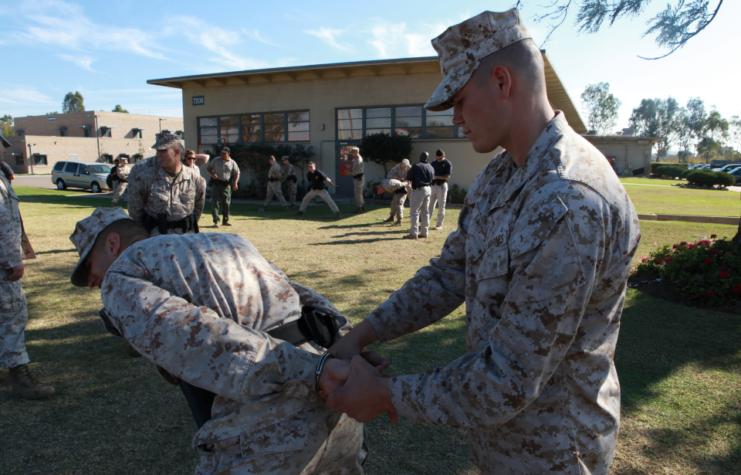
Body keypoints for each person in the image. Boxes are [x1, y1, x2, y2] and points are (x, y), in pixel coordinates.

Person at [324, 9, 640, 475]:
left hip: (555, 452)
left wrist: (384, 395)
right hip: (504, 444)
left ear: (501, 81)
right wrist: (359, 337)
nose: (454, 118)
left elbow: (507, 378)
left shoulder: (569, 200)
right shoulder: (503, 172)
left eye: (459, 99)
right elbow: (450, 274)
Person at [69, 207, 371, 474]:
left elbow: (201, 340)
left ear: (112, 244)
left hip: (272, 431)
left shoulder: (121, 275)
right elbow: (302, 296)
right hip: (338, 411)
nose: (92, 281)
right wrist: (344, 350)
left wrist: (313, 372)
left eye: (88, 267)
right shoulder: (225, 241)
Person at [0, 130, 54, 399]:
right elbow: (2, 224)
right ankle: (20, 377)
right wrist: (13, 260)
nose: (3, 150)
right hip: (2, 267)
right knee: (12, 316)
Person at [127, 132, 206, 237]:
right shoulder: (145, 178)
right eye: (157, 150)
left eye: (163, 150)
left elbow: (197, 210)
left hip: (186, 239)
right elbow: (135, 211)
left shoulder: (196, 179)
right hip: (156, 240)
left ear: (177, 152)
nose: (158, 154)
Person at [403, 152, 434, 240]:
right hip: (428, 189)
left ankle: (413, 233)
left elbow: (408, 177)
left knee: (414, 212)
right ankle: (424, 232)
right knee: (425, 212)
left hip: (419, 189)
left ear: (420, 157)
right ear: (428, 158)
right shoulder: (431, 167)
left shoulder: (416, 166)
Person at [206, 146, 240, 228]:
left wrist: (235, 183)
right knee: (215, 203)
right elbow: (208, 168)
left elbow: (237, 173)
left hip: (226, 186)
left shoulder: (232, 162)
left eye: (224, 153)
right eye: (221, 153)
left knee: (226, 203)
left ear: (228, 153)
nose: (222, 154)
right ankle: (216, 221)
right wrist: (212, 174)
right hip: (216, 185)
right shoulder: (216, 160)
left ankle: (226, 220)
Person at [383, 159, 412, 226]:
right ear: (400, 164)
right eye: (403, 166)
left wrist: (409, 179)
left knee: (413, 201)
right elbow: (389, 175)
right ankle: (392, 216)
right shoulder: (396, 167)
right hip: (400, 186)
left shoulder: (410, 168)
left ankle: (419, 217)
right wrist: (398, 178)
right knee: (396, 201)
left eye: (406, 166)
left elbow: (415, 175)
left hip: (408, 185)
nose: (405, 168)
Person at [429, 149, 452, 230]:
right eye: (437, 158)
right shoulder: (433, 163)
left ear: (444, 156)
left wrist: (437, 177)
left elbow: (447, 176)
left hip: (442, 185)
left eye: (440, 158)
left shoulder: (447, 163)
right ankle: (426, 223)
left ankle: (439, 224)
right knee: (430, 205)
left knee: (441, 206)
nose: (438, 160)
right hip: (433, 185)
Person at [350, 147, 365, 213]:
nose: (352, 154)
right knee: (359, 193)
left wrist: (349, 173)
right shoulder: (356, 158)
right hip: (357, 178)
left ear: (356, 152)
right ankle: (362, 206)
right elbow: (355, 169)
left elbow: (356, 171)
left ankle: (359, 207)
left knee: (358, 193)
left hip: (358, 178)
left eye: (353, 153)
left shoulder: (358, 160)